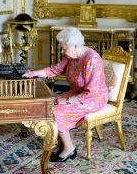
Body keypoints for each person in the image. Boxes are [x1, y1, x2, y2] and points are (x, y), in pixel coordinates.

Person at [22, 27, 108, 162]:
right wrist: (34, 73)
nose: (63, 51)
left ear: (75, 45)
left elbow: (90, 94)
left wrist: (65, 101)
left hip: (92, 99)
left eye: (64, 48)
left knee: (57, 110)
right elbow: (56, 69)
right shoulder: (71, 55)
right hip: (76, 93)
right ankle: (62, 145)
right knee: (48, 104)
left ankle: (69, 149)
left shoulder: (92, 60)